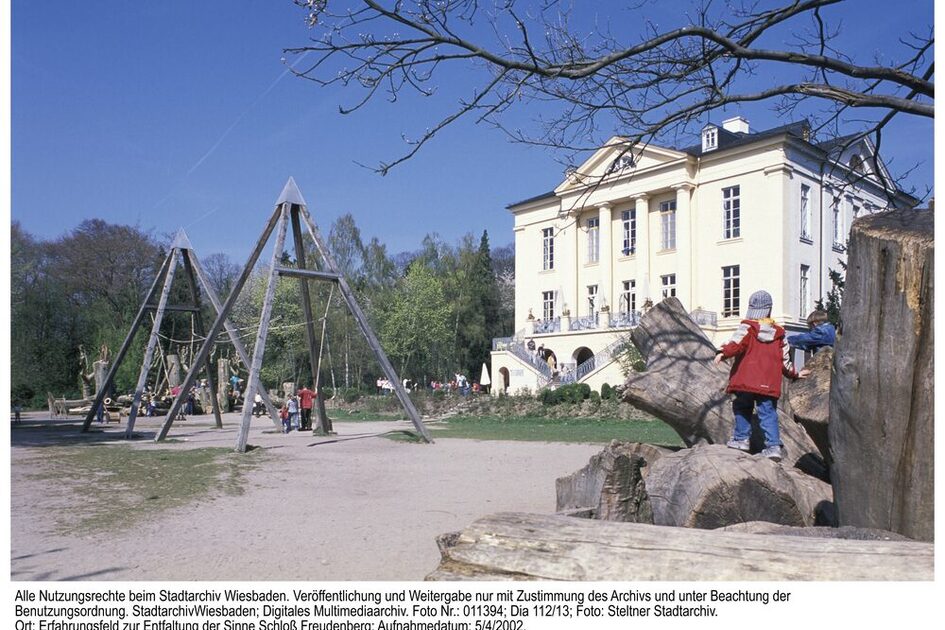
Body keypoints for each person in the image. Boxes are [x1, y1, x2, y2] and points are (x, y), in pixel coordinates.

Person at [714, 290, 810, 462]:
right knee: (768, 412)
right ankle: (773, 446)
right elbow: (784, 360)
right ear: (769, 310)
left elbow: (736, 344)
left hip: (746, 379)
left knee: (742, 407)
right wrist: (795, 373)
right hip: (768, 383)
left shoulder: (748, 327)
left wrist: (723, 352)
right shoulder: (780, 334)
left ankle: (741, 439)